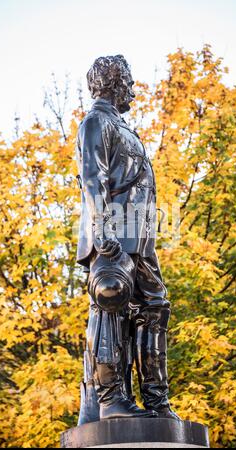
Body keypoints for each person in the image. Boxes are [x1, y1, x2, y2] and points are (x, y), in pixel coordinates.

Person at [75, 55, 180, 423]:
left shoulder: (122, 127)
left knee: (155, 307)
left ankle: (156, 400)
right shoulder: (95, 123)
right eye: (129, 82)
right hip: (114, 234)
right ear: (114, 83)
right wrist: (103, 231)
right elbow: (92, 179)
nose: (133, 90)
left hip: (140, 237)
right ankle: (111, 399)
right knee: (111, 300)